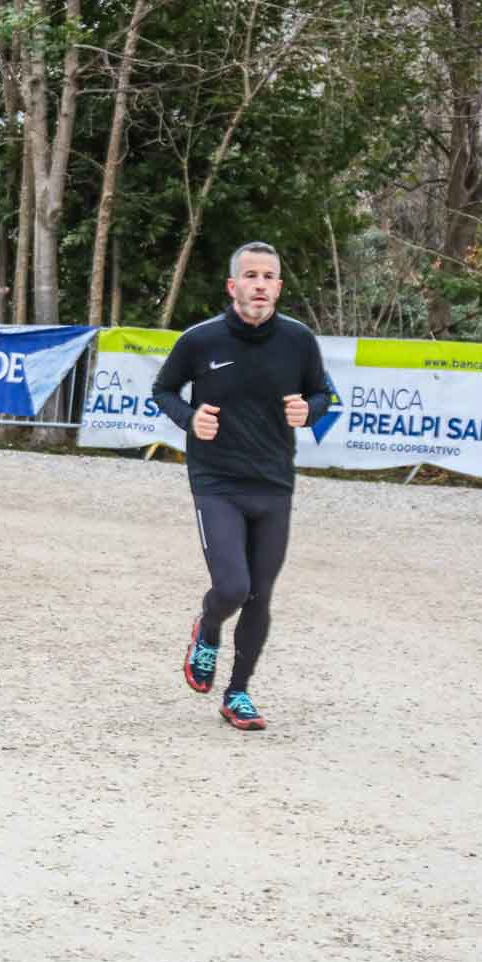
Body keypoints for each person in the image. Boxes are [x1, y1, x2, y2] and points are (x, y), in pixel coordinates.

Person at [151, 240, 332, 731]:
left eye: (268, 276)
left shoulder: (298, 340)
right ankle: (208, 626)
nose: (259, 285)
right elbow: (163, 389)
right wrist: (190, 418)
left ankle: (238, 693)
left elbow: (322, 394)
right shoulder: (200, 340)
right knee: (233, 586)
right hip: (217, 481)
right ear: (233, 286)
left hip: (273, 482)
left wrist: (309, 411)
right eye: (250, 276)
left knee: (260, 596)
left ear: (279, 287)